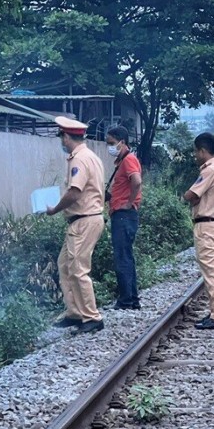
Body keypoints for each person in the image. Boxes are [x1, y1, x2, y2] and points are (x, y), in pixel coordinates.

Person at [47, 116, 106, 335]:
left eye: (61, 136)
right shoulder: (90, 156)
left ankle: (91, 317)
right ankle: (74, 311)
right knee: (65, 264)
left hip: (84, 219)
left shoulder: (79, 159)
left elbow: (74, 192)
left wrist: (55, 209)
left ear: (66, 136)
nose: (61, 141)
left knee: (79, 269)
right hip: (86, 219)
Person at [183, 133, 214, 330]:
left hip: (206, 225)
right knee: (212, 269)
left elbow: (191, 195)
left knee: (210, 271)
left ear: (202, 150)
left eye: (196, 151)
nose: (195, 155)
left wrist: (189, 196)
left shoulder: (210, 171)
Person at [105, 126, 143, 310]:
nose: (109, 147)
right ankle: (130, 298)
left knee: (123, 257)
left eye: (111, 143)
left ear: (122, 142)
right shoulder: (122, 162)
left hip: (124, 216)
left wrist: (128, 203)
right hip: (122, 214)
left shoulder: (128, 160)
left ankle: (127, 300)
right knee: (125, 256)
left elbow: (136, 181)